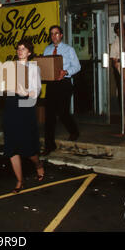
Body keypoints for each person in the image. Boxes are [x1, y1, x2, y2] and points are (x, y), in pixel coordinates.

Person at [2, 39, 44, 193]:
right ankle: (20, 181)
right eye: (18, 49)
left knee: (28, 149)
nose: (20, 51)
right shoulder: (10, 67)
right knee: (12, 147)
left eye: (23, 49)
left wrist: (24, 92)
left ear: (29, 52)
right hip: (11, 108)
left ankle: (38, 164)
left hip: (25, 107)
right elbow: (3, 88)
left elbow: (36, 92)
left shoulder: (33, 69)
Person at [41, 25, 81, 156]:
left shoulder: (69, 49)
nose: (54, 36)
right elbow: (45, 66)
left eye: (56, 33)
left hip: (64, 83)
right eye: (52, 34)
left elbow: (77, 66)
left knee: (63, 112)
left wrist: (66, 72)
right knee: (49, 115)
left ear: (61, 35)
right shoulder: (47, 49)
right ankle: (49, 145)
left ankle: (74, 131)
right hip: (52, 85)